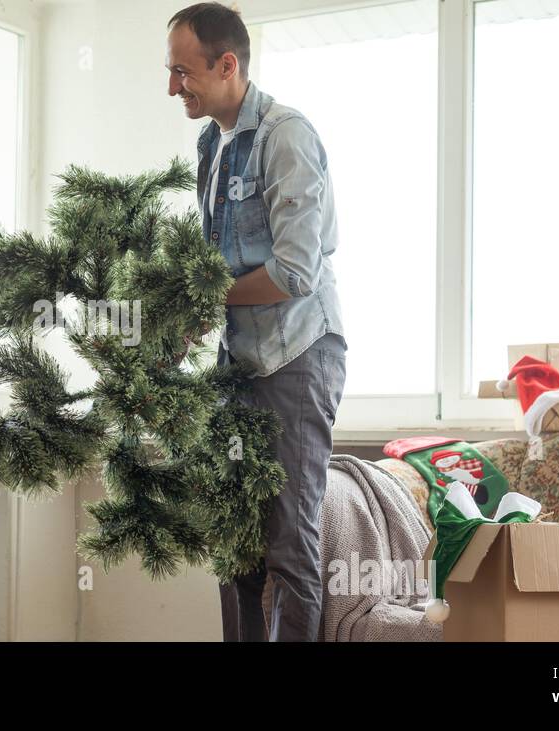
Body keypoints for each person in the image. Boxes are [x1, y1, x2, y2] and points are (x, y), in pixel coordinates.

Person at [166, 2, 347, 642]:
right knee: (234, 541)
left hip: (295, 360)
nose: (173, 87)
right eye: (170, 72)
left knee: (288, 543)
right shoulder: (210, 145)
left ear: (228, 64)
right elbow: (218, 263)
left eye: (183, 72)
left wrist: (208, 297)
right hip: (238, 365)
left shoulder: (287, 136)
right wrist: (183, 312)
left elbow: (294, 271)